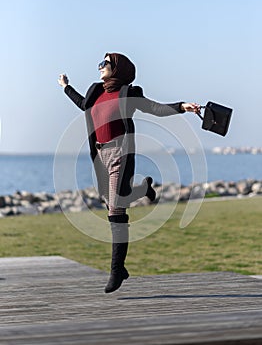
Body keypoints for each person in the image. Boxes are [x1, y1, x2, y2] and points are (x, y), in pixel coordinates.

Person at [58, 52, 200, 293]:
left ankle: (117, 270)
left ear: (118, 68)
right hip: (99, 154)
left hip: (120, 152)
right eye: (100, 63)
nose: (100, 67)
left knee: (115, 209)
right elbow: (83, 105)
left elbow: (155, 108)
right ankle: (143, 189)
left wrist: (181, 107)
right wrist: (66, 87)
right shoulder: (96, 91)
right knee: (109, 200)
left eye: (105, 63)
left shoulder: (129, 94)